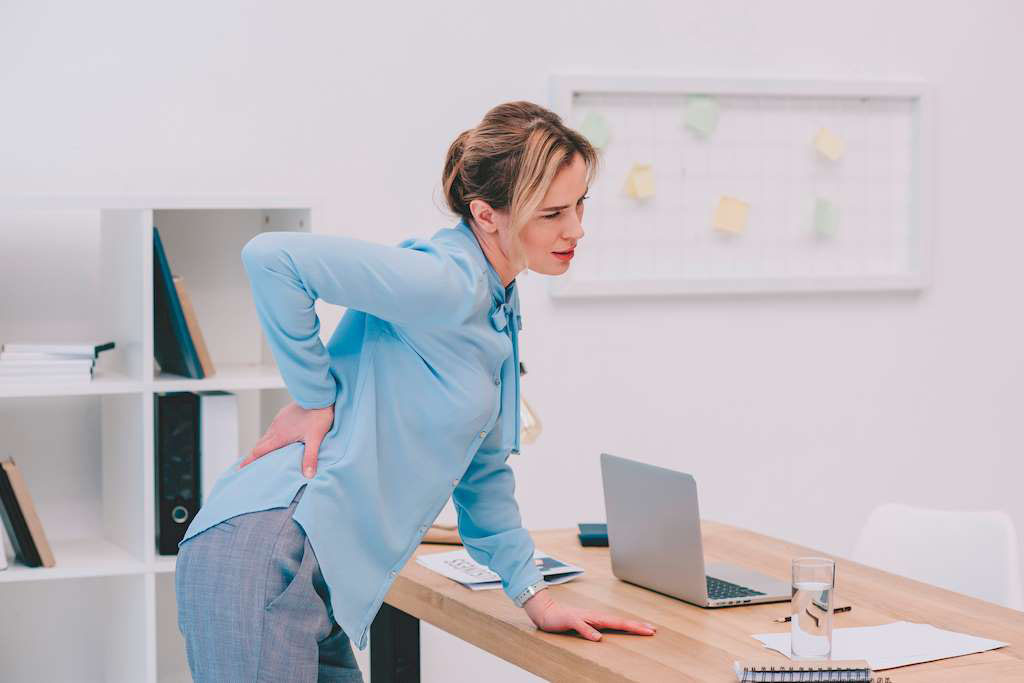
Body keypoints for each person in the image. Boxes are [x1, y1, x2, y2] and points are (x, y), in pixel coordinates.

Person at [175, 100, 658, 682]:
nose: (576, 228)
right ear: (486, 215)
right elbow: (272, 258)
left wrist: (536, 596)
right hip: (269, 551)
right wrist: (313, 398)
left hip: (317, 572)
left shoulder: (497, 306)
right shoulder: (446, 281)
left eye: (580, 204)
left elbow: (483, 474)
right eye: (553, 212)